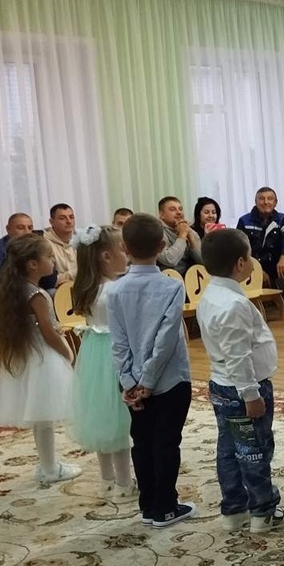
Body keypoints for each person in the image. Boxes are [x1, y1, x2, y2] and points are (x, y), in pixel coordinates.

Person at [196, 228, 284, 534]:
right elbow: (238, 355)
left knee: (229, 447)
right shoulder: (234, 305)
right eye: (250, 255)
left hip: (222, 385)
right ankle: (263, 512)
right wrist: (251, 394)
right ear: (240, 263)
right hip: (243, 389)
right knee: (254, 449)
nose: (252, 261)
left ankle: (234, 509)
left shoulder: (210, 295)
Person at [110, 214, 196, 528]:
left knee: (142, 441)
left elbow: (118, 342)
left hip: (133, 382)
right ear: (162, 246)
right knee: (166, 443)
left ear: (124, 247)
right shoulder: (171, 287)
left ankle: (148, 505)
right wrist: (147, 380)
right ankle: (166, 506)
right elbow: (166, 340)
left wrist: (129, 381)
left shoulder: (115, 291)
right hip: (170, 379)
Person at [0, 234, 80, 487]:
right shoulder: (37, 294)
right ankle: (49, 468)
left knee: (40, 416)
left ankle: (47, 463)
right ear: (33, 264)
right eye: (49, 256)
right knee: (45, 417)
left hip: (26, 358)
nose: (53, 261)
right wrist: (67, 353)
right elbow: (48, 332)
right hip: (43, 359)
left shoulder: (12, 290)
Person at [67, 226, 134, 497]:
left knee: (101, 416)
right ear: (106, 256)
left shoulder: (87, 288)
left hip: (93, 353)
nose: (127, 254)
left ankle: (107, 479)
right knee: (118, 421)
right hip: (113, 353)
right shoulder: (115, 291)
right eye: (122, 250)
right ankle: (124, 483)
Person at [236, 187, 284, 292]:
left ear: (275, 202)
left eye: (270, 199)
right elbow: (240, 248)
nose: (266, 202)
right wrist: (258, 271)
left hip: (276, 265)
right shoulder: (244, 221)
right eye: (262, 199)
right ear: (256, 202)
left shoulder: (282, 219)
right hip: (254, 266)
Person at [0, 213, 56, 292]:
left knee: (52, 291)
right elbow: (3, 283)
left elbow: (50, 282)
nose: (27, 232)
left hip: (33, 289)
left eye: (30, 228)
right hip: (2, 294)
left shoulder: (34, 247)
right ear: (8, 229)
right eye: (20, 228)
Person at [156, 196, 202, 275]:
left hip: (189, 277)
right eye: (172, 209)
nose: (179, 212)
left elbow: (203, 262)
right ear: (161, 215)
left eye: (180, 209)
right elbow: (170, 260)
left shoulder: (190, 231)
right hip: (166, 277)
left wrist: (190, 236)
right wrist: (182, 235)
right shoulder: (156, 232)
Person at [44, 203, 78, 284]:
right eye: (62, 218)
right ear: (51, 222)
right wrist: (79, 272)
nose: (69, 221)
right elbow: (50, 281)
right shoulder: (44, 244)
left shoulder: (81, 239)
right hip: (57, 288)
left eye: (71, 217)